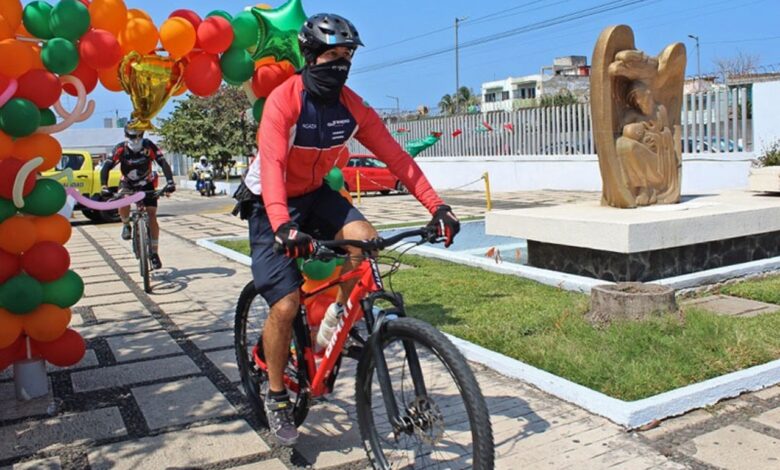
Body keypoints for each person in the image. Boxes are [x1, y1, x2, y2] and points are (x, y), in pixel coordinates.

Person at [240, 13, 460, 446]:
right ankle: (277, 394)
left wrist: (438, 207)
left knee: (365, 239)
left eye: (347, 55)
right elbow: (272, 166)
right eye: (331, 54)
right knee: (284, 305)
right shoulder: (285, 101)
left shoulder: (353, 108)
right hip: (271, 201)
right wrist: (283, 226)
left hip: (314, 191)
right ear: (310, 56)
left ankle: (338, 322)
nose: (340, 63)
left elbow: (398, 160)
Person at [101, 123, 176, 270]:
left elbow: (163, 162)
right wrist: (104, 186)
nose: (135, 140)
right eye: (131, 137)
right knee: (123, 199)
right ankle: (125, 224)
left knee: (152, 215)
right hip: (128, 182)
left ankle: (154, 253)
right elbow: (106, 166)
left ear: (143, 135)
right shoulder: (120, 148)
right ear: (126, 136)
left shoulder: (149, 146)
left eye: (139, 136)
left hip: (146, 182)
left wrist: (170, 182)